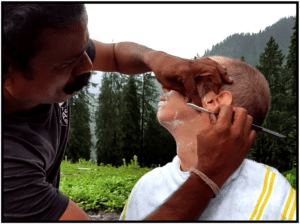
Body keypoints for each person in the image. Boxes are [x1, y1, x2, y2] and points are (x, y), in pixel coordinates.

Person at [3, 4, 255, 221]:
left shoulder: (47, 51)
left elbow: (113, 55)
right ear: (8, 77)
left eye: (85, 46)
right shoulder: (8, 171)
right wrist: (208, 176)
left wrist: (154, 58)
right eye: (67, 63)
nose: (88, 65)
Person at [120, 56, 296, 221]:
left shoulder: (274, 194)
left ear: (212, 102)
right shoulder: (145, 187)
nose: (165, 87)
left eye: (185, 80)